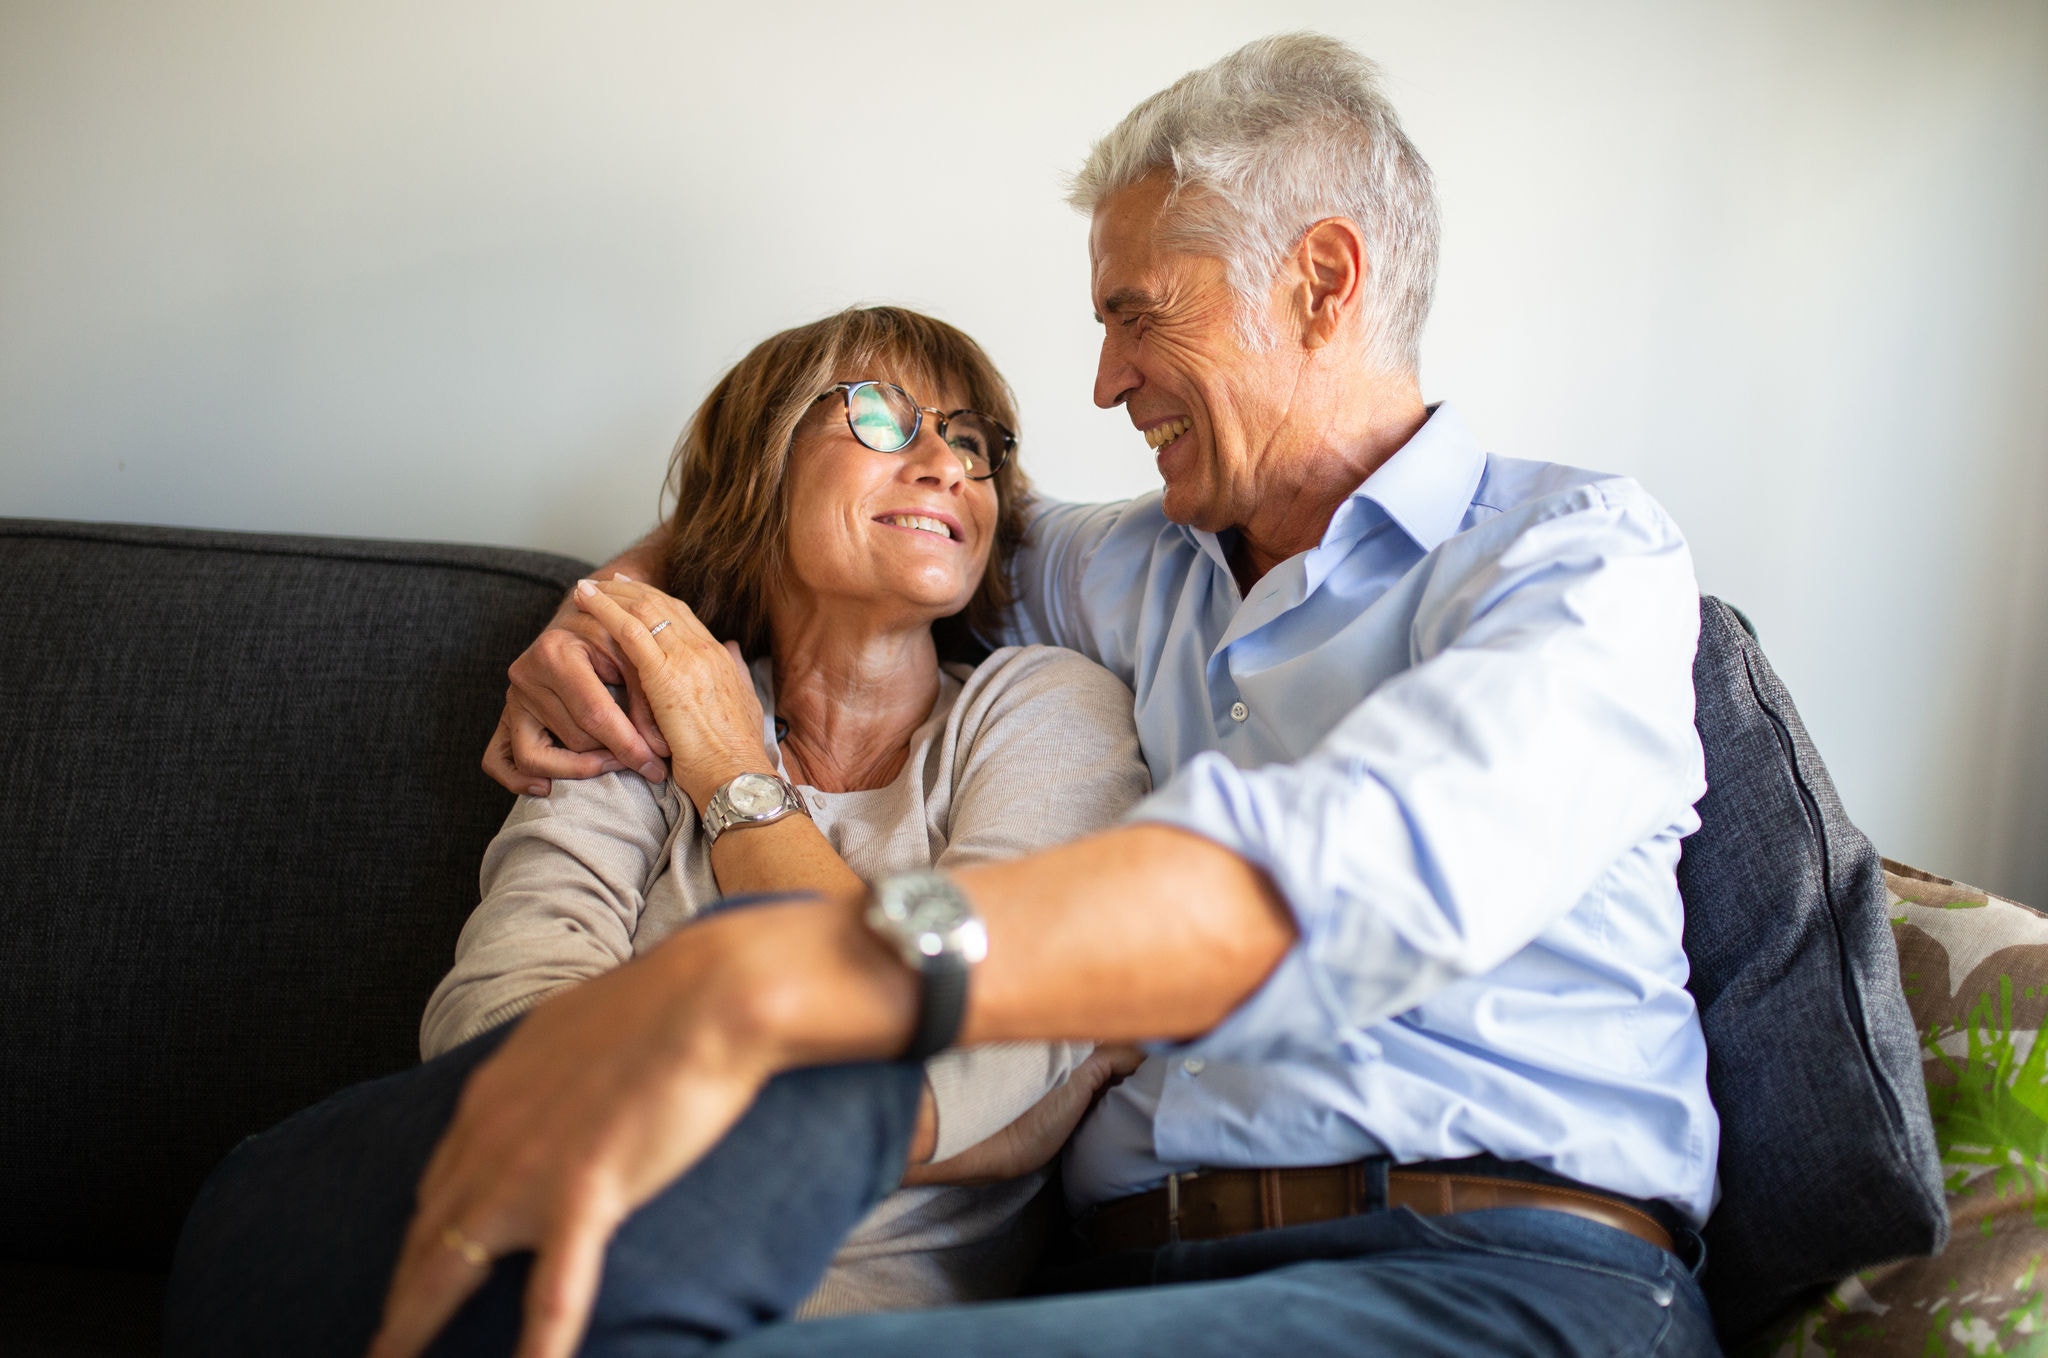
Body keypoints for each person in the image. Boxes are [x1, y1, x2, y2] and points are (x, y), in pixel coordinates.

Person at [176, 31, 1723, 1358]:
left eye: (1137, 311)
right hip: (1128, 1281)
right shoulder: (1140, 567)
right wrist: (612, 612)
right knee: (291, 1235)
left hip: (1479, 1264)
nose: (1104, 381)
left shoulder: (1573, 560)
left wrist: (811, 967)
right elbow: (854, 529)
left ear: (1321, 281)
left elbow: (1349, 868)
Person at [419, 305, 1151, 1316]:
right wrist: (990, 1128)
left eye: (973, 441)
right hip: (572, 1286)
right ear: (763, 467)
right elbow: (490, 1024)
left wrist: (730, 771)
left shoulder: (1044, 708)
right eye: (882, 417)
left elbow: (967, 1037)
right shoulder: (646, 700)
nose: (947, 464)